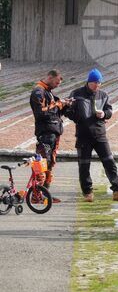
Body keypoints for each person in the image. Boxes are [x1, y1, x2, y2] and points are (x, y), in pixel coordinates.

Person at [66, 69, 118, 202]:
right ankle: (87, 192)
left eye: (99, 83)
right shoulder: (77, 94)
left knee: (109, 162)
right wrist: (78, 117)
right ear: (89, 82)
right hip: (83, 135)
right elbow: (67, 110)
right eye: (95, 83)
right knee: (84, 165)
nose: (97, 86)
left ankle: (117, 190)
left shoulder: (103, 95)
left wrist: (104, 114)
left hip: (100, 134)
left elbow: (109, 110)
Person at [29, 69, 72, 201]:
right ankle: (36, 196)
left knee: (49, 163)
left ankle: (45, 194)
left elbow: (54, 111)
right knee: (41, 164)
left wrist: (65, 105)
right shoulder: (38, 91)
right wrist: (58, 105)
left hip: (53, 133)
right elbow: (40, 113)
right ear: (50, 77)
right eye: (57, 82)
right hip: (45, 133)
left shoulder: (48, 92)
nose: (58, 85)